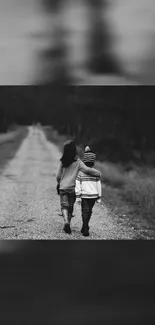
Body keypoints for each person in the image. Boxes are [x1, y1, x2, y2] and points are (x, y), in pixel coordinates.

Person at [56, 140, 101, 234]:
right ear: (74, 150)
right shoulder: (78, 162)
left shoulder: (62, 162)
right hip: (72, 188)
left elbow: (58, 176)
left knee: (64, 206)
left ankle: (66, 222)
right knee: (70, 207)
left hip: (63, 187)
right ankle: (68, 221)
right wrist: (97, 173)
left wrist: (59, 182)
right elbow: (87, 169)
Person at [75, 146, 102, 237]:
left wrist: (78, 196)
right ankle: (85, 226)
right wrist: (99, 196)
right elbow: (99, 185)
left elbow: (78, 185)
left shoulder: (81, 173)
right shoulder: (96, 174)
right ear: (93, 162)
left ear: (84, 161)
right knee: (89, 211)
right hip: (93, 196)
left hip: (84, 196)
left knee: (84, 211)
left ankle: (85, 227)